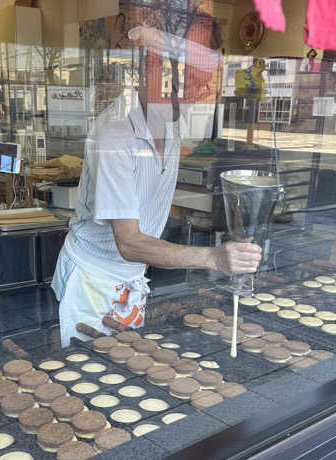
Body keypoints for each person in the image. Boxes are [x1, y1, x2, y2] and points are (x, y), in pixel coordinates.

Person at [51, 17, 262, 347]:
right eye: (188, 72)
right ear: (153, 69)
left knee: (130, 367)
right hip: (95, 279)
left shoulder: (172, 123)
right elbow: (130, 242)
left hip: (133, 275)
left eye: (202, 73)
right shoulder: (116, 133)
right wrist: (214, 258)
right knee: (96, 378)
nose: (198, 87)